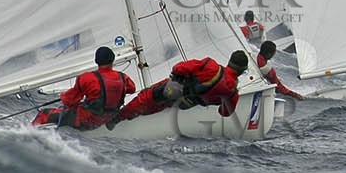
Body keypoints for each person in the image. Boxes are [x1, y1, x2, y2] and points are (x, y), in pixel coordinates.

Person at [116, 50, 248, 122]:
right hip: (183, 104)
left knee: (144, 99)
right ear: (242, 70)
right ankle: (130, 118)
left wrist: (177, 74)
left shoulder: (210, 66)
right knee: (157, 107)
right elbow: (224, 113)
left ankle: (116, 119)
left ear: (230, 61)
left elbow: (179, 68)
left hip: (170, 90)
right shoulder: (232, 94)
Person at [33, 46, 137, 129]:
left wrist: (63, 96)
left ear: (96, 60)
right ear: (113, 60)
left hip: (85, 121)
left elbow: (70, 100)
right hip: (106, 120)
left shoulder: (87, 78)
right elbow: (132, 89)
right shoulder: (124, 78)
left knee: (44, 113)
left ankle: (27, 134)